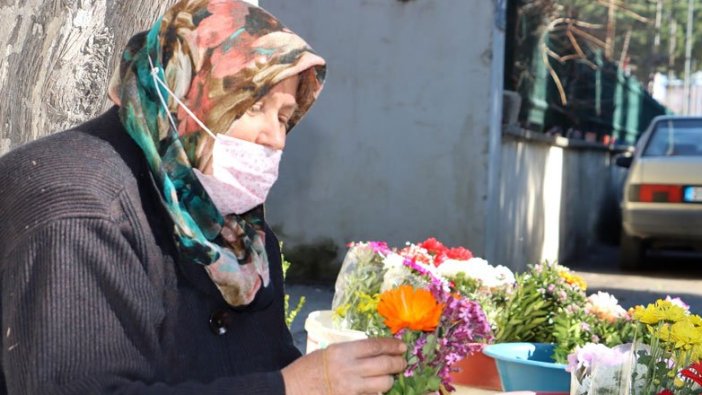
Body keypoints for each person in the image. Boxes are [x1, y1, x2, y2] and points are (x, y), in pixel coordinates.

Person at [0, 1, 406, 394]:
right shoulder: (79, 204)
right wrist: (295, 387)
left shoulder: (224, 220)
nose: (274, 138)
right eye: (254, 105)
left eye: (283, 118)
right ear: (185, 89)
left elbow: (261, 363)